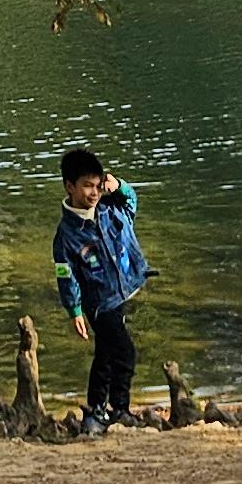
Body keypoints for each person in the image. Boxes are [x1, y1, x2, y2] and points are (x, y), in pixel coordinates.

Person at [50, 143, 148, 431]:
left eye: (97, 186)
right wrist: (75, 310)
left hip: (119, 294)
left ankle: (95, 411)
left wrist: (119, 186)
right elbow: (65, 275)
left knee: (105, 354)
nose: (93, 193)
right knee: (125, 352)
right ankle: (120, 408)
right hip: (97, 303)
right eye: (86, 186)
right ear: (69, 186)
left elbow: (131, 201)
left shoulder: (109, 209)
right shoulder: (66, 235)